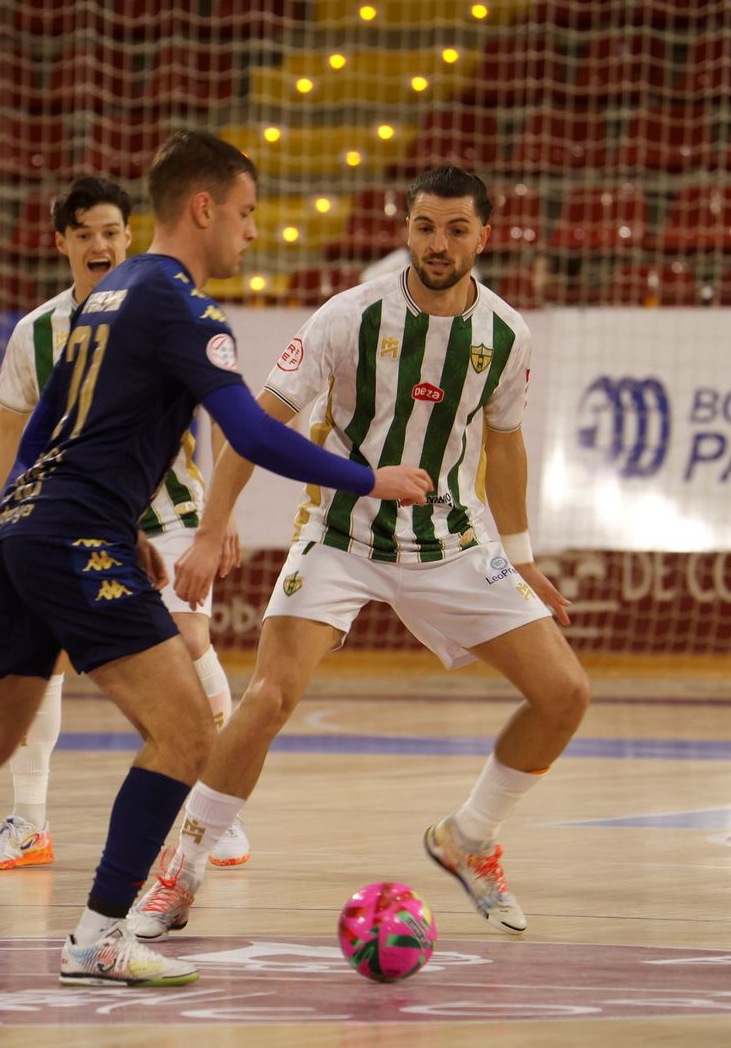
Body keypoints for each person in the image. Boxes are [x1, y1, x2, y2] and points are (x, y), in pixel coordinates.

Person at [0, 129, 430, 989]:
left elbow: (49, 420)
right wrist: (371, 478)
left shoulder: (106, 295)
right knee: (184, 733)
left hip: (28, 527)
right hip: (71, 534)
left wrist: (91, 513)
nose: (254, 232)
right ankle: (101, 934)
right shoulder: (181, 305)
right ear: (202, 208)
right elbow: (250, 431)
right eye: (246, 213)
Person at [128, 166, 591, 943]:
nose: (436, 244)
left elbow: (504, 443)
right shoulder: (349, 316)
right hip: (340, 533)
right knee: (269, 697)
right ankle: (182, 870)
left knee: (565, 694)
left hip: (450, 536)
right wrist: (212, 530)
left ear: (485, 234)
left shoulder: (506, 333)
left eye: (454, 230)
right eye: (423, 227)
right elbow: (255, 420)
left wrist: (522, 554)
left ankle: (467, 838)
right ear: (404, 226)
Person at [0, 176, 251, 872]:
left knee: (188, 635)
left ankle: (215, 808)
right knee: (36, 659)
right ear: (63, 244)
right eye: (85, 234)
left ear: (130, 237)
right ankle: (29, 821)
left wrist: (219, 520)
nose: (101, 245)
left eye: (111, 232)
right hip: (76, 514)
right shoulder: (37, 331)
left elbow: (228, 422)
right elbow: (6, 427)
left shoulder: (172, 309)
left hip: (169, 511)